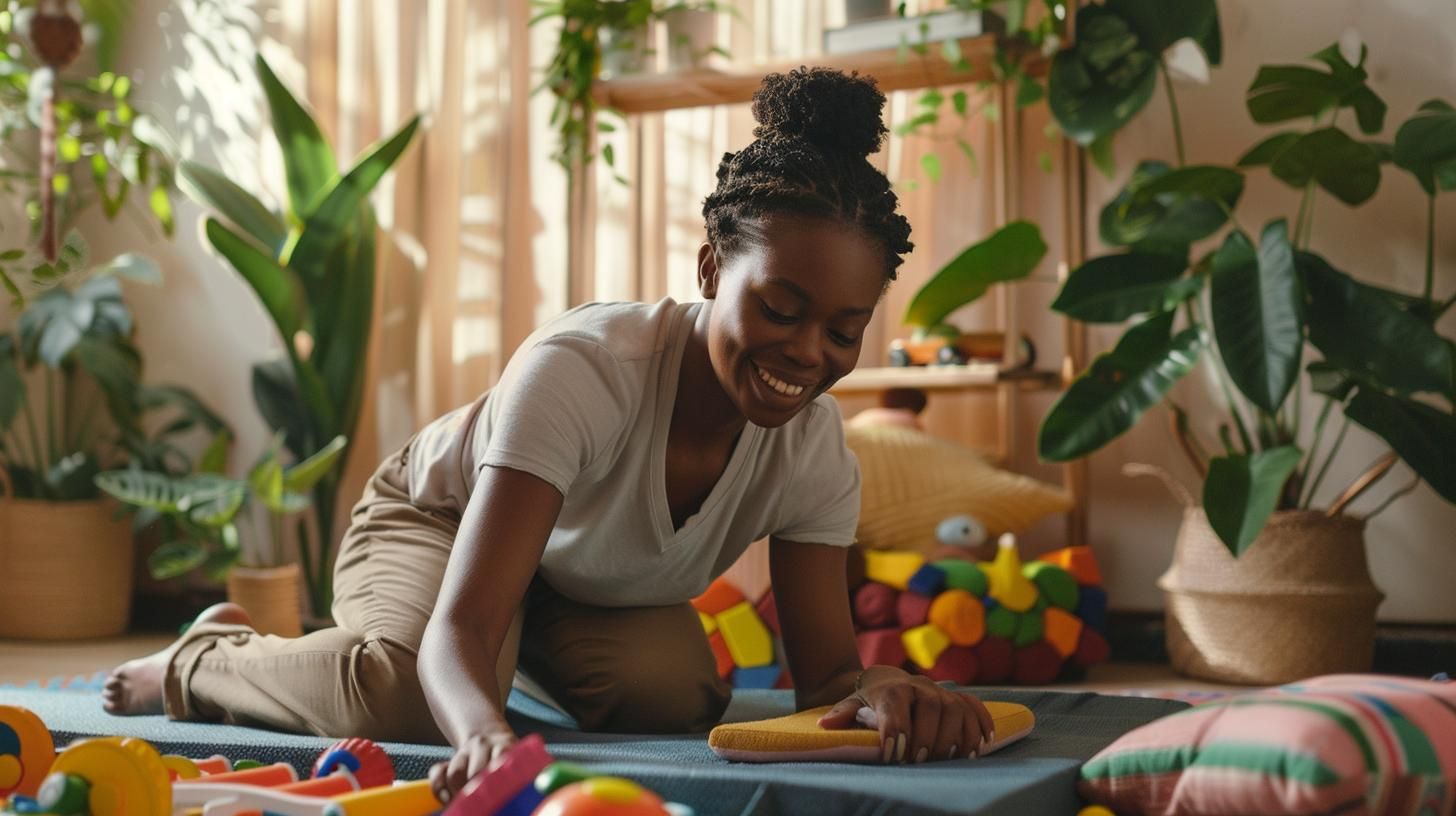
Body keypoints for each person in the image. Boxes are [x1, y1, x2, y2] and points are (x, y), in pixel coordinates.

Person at [101, 66, 994, 804]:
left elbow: (829, 680)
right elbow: (464, 620)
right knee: (414, 697)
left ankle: (496, 676)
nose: (806, 355)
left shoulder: (812, 448)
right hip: (438, 522)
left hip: (576, 580)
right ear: (713, 266)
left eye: (842, 332)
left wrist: (891, 695)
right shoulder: (584, 369)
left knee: (673, 696)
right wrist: (482, 734)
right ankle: (204, 659)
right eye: (780, 309)